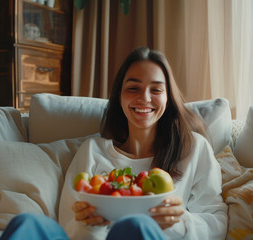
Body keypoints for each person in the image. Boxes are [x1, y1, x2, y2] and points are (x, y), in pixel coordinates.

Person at [58, 46, 228, 239]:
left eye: (156, 89)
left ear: (168, 97)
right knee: (27, 223)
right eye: (133, 88)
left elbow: (216, 224)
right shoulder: (92, 151)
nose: (144, 98)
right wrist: (90, 226)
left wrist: (177, 222)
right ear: (119, 96)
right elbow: (67, 226)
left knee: (136, 225)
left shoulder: (194, 149)